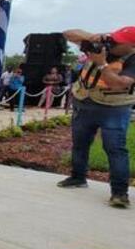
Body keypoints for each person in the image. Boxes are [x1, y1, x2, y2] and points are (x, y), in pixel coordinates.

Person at [57, 26, 135, 209]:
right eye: (113, 38)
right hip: (84, 101)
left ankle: (119, 193)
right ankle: (78, 177)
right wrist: (95, 37)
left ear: (131, 45)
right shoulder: (101, 45)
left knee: (115, 149)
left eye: (118, 41)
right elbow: (68, 33)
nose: (113, 42)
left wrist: (101, 64)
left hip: (114, 108)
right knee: (80, 143)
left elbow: (119, 84)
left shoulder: (132, 59)